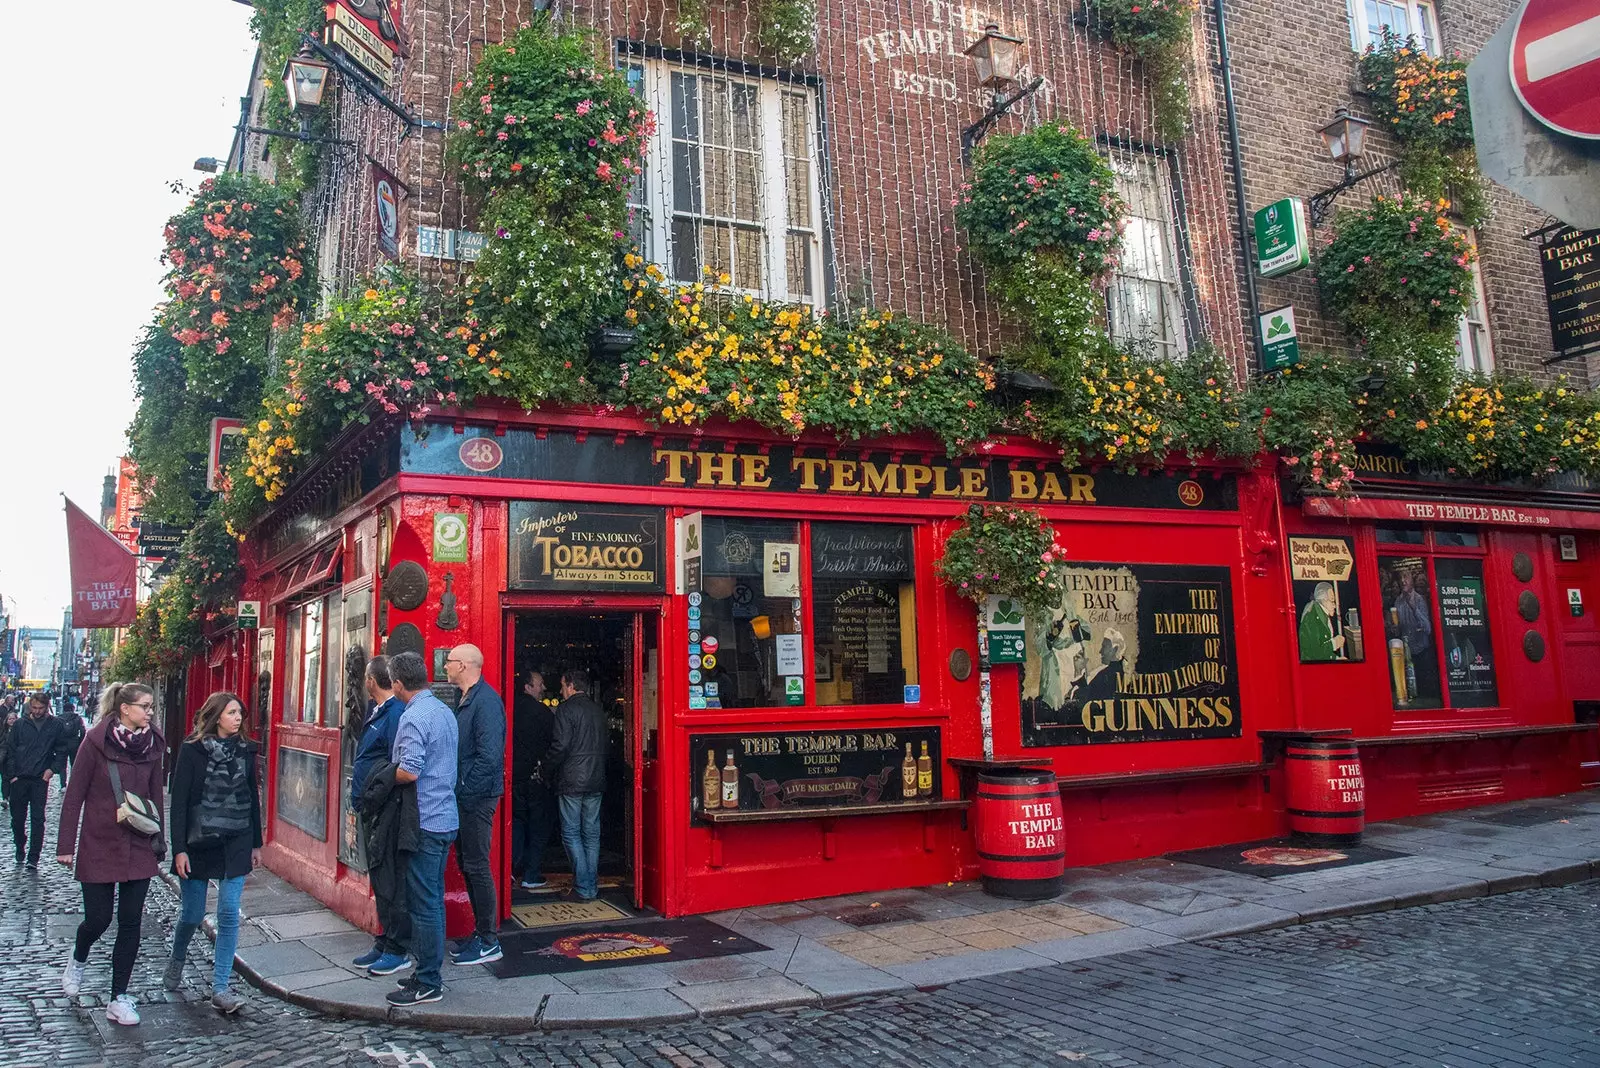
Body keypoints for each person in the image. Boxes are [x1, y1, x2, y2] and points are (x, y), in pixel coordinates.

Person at [57, 683, 166, 1027]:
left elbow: (154, 796)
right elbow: (74, 794)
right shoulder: (94, 741)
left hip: (138, 845)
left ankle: (118, 997)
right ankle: (78, 957)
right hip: (99, 841)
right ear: (124, 709)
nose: (150, 712)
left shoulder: (153, 745)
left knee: (131, 921)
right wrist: (65, 847)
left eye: (151, 707)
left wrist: (159, 839)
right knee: (98, 920)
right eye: (145, 706)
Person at [163, 692, 262, 1014]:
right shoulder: (192, 752)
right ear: (216, 715)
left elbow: (253, 798)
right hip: (199, 840)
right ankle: (178, 957)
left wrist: (256, 843)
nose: (238, 718)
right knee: (192, 914)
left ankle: (221, 988)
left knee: (229, 912)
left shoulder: (247, 751)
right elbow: (178, 803)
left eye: (240, 714)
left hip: (236, 838)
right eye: (232, 712)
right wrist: (178, 850)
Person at [385, 651, 457, 1007]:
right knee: (434, 900)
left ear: (398, 684)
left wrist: (382, 776)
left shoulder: (413, 717)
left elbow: (410, 770)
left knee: (424, 904)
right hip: (445, 817)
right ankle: (427, 970)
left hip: (423, 821)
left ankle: (428, 980)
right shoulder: (444, 711)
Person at [443, 644, 505, 966]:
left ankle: (489, 940)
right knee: (468, 863)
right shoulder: (465, 699)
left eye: (449, 661)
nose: (445, 666)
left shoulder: (487, 703)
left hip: (477, 798)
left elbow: (490, 757)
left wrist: (464, 788)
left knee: (478, 865)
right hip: (466, 797)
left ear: (465, 666)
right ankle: (480, 934)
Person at [349, 655, 411, 974]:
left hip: (385, 808)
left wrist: (373, 796)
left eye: (366, 678)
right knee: (378, 874)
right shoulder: (379, 711)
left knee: (390, 879)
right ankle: (385, 940)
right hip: (371, 805)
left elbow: (394, 764)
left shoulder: (395, 713)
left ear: (371, 681)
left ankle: (398, 948)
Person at [545, 668, 606, 902]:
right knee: (591, 834)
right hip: (596, 778)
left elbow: (560, 746)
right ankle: (590, 885)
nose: (561, 690)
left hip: (572, 780)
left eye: (562, 685)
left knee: (571, 833)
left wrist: (546, 770)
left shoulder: (565, 709)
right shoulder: (598, 710)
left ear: (570, 685)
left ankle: (584, 886)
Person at [3, 692, 68, 870]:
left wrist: (52, 770)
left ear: (47, 707)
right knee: (17, 819)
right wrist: (12, 775)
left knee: (38, 819)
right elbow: (10, 750)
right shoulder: (20, 725)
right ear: (30, 707)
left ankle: (34, 856)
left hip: (40, 778)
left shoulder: (55, 726)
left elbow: (62, 750)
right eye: (34, 708)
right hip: (20, 778)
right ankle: (20, 846)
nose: (37, 711)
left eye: (41, 708)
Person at [511, 668, 557, 891]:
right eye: (540, 684)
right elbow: (553, 745)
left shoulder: (507, 709)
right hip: (535, 779)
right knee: (539, 827)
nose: (544, 688)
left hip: (513, 778)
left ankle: (510, 869)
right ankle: (531, 874)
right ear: (528, 687)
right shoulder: (543, 713)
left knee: (516, 823)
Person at [1299, 582, 1346, 662]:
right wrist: (1334, 643)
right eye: (1332, 601)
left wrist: (1336, 658)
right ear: (1323, 600)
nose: (1334, 605)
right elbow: (1315, 653)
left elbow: (1324, 653)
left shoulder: (1322, 615)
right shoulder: (1312, 618)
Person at [57, 699, 87, 786]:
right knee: (74, 764)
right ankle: (73, 783)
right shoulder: (77, 718)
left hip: (62, 744)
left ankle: (63, 784)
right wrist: (80, 740)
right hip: (74, 743)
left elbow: (54, 732)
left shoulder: (59, 718)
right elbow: (82, 731)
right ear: (73, 708)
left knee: (62, 765)